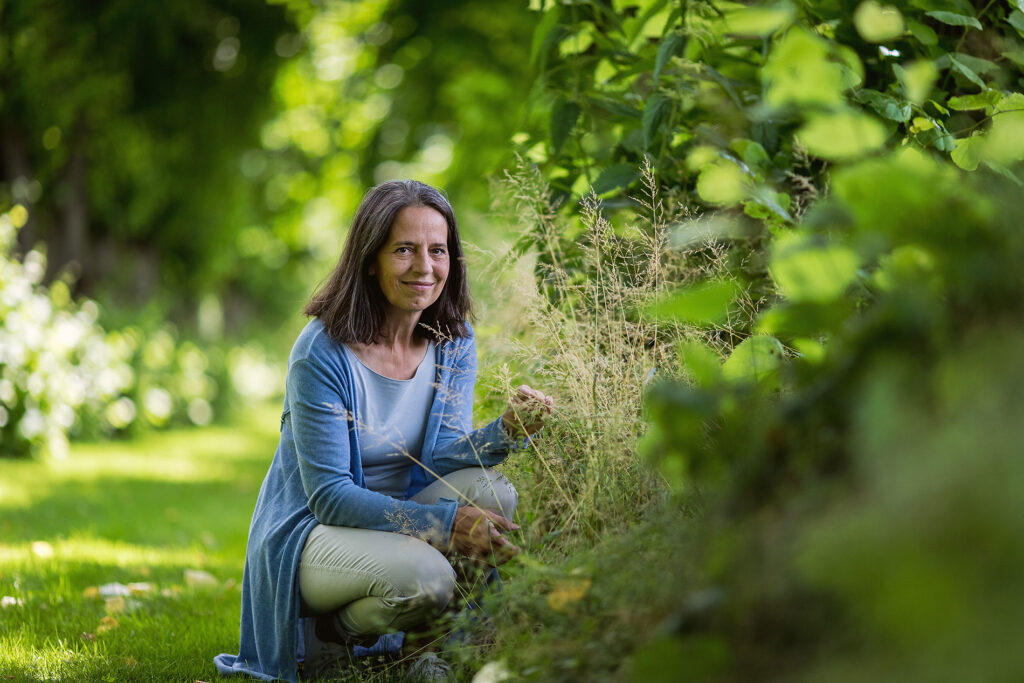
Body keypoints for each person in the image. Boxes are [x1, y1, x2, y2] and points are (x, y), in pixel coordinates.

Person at [214, 180, 553, 682]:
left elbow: (438, 455)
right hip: (318, 532)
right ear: (370, 259)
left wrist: (504, 430)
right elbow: (331, 498)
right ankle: (335, 631)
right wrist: (445, 525)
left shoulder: (452, 339)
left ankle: (431, 647)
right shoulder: (322, 353)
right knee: (428, 577)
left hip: (401, 513)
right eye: (404, 250)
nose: (425, 267)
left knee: (493, 492)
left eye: (438, 250)